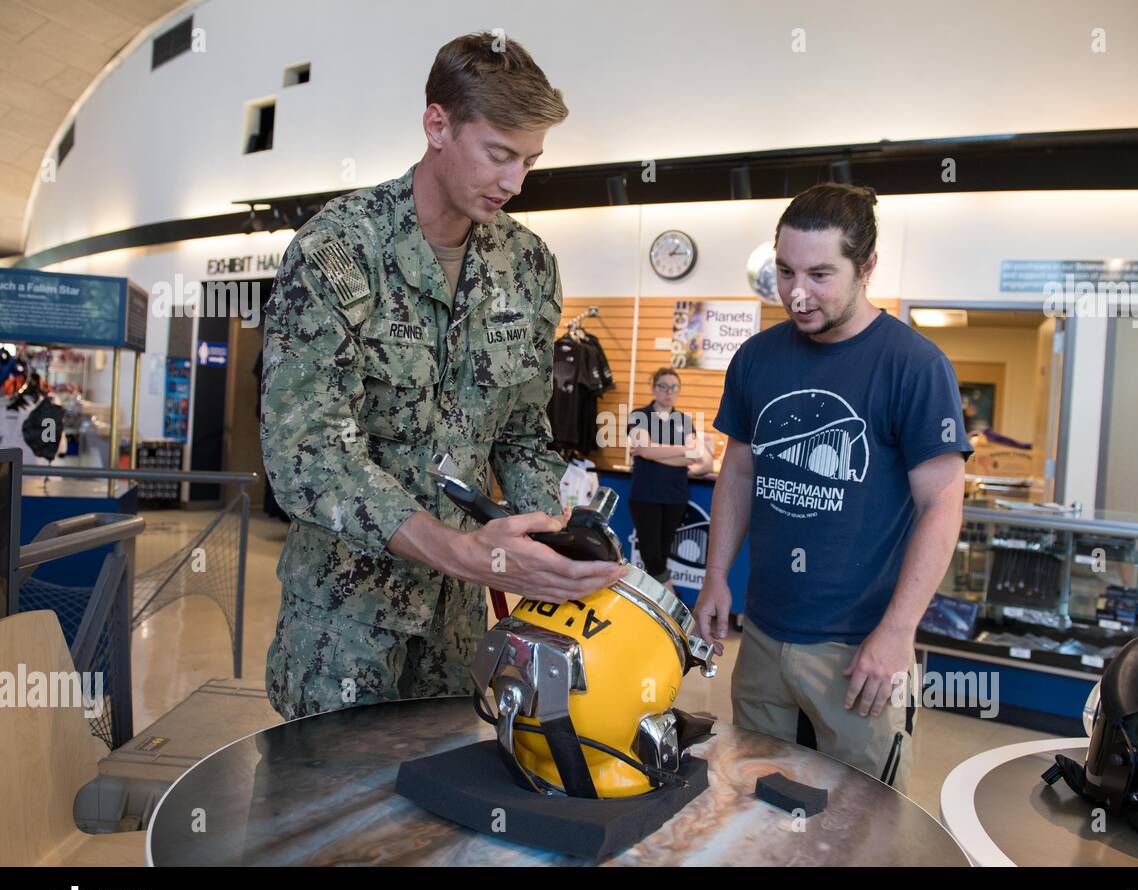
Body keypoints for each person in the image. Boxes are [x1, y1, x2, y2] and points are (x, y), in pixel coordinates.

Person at [260, 32, 623, 720]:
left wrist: (554, 541)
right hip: (343, 622)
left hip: (459, 635)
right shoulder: (339, 251)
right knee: (328, 818)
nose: (516, 182)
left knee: (444, 817)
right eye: (500, 154)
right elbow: (306, 456)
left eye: (531, 160)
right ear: (437, 125)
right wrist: (462, 551)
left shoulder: (529, 265)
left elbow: (520, 433)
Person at [694, 183, 971, 791]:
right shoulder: (757, 359)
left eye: (820, 274)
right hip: (763, 636)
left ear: (866, 267)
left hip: (859, 650)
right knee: (753, 801)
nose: (797, 293)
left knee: (861, 822)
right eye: (786, 271)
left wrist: (897, 632)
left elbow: (942, 504)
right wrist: (716, 574)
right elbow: (739, 470)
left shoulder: (914, 366)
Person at [627, 368, 713, 585]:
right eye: (663, 386)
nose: (668, 391)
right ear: (654, 388)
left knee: (662, 553)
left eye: (674, 387)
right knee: (651, 554)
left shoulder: (684, 420)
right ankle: (669, 596)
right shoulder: (640, 416)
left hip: (675, 496)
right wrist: (681, 451)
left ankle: (655, 605)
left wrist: (654, 451)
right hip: (646, 495)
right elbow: (645, 451)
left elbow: (695, 456)